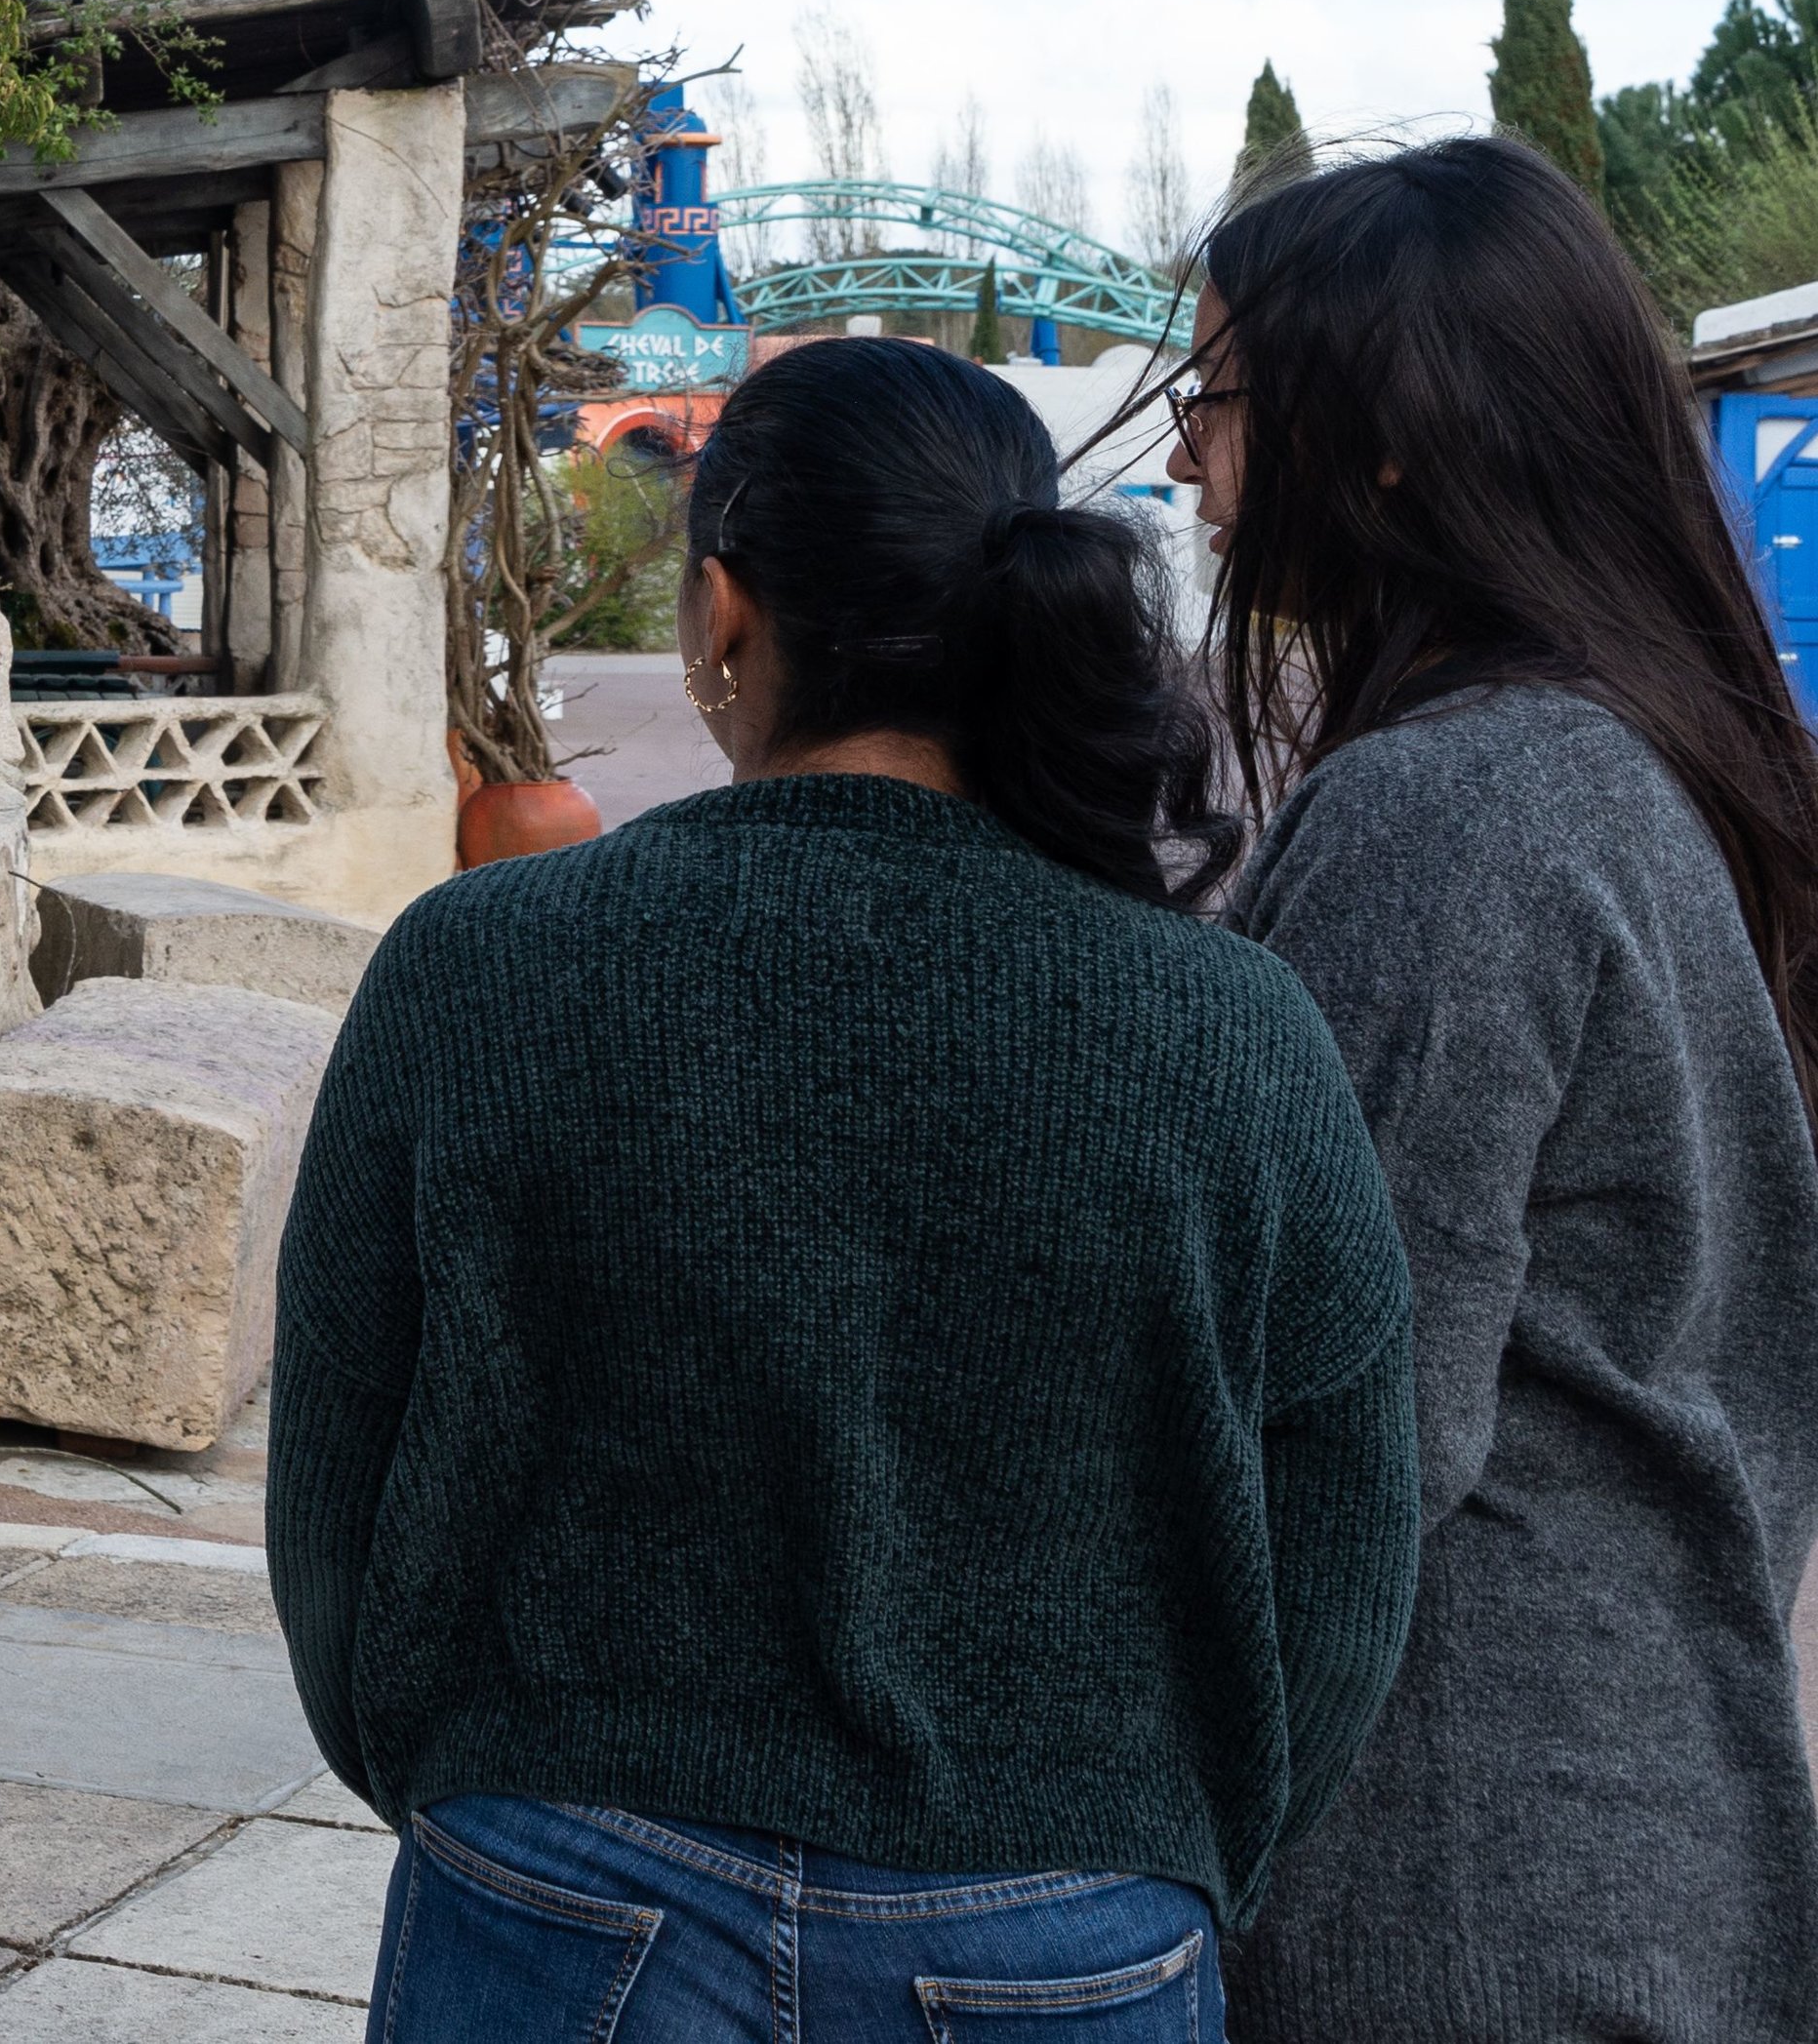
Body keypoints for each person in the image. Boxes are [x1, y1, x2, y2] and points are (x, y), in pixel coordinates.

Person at [271, 334, 1419, 2039]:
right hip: (1071, 1927)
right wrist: (1163, 1853)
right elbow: (1345, 1535)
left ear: (724, 613)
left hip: (559, 1875)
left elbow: (337, 1478)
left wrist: (467, 1779)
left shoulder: (478, 967)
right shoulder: (1231, 1030)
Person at [1170, 137, 1818, 2041]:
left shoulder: (1450, 813)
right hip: (1645, 1829)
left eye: (1216, 396)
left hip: (1459, 1887)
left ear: (1381, 438)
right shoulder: (1650, 755)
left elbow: (1346, 1424)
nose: (1193, 457)